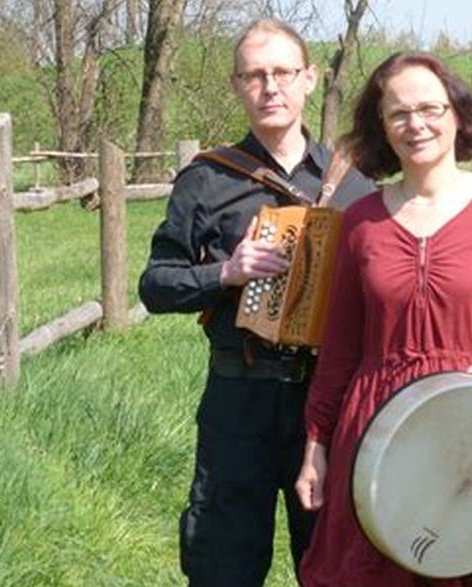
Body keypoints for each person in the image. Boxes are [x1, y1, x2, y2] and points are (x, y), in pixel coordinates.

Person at [138, 18, 373, 587]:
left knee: (331, 565)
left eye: (283, 73)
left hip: (326, 404)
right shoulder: (207, 179)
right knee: (222, 562)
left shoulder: (355, 186)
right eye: (255, 75)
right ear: (237, 85)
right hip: (237, 398)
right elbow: (155, 284)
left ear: (309, 79)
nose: (270, 87)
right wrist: (226, 272)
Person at [293, 52, 472, 586]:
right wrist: (316, 446)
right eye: (398, 113)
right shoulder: (360, 222)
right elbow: (340, 349)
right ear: (381, 127)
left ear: (456, 112)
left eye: (430, 107)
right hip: (377, 438)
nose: (416, 124)